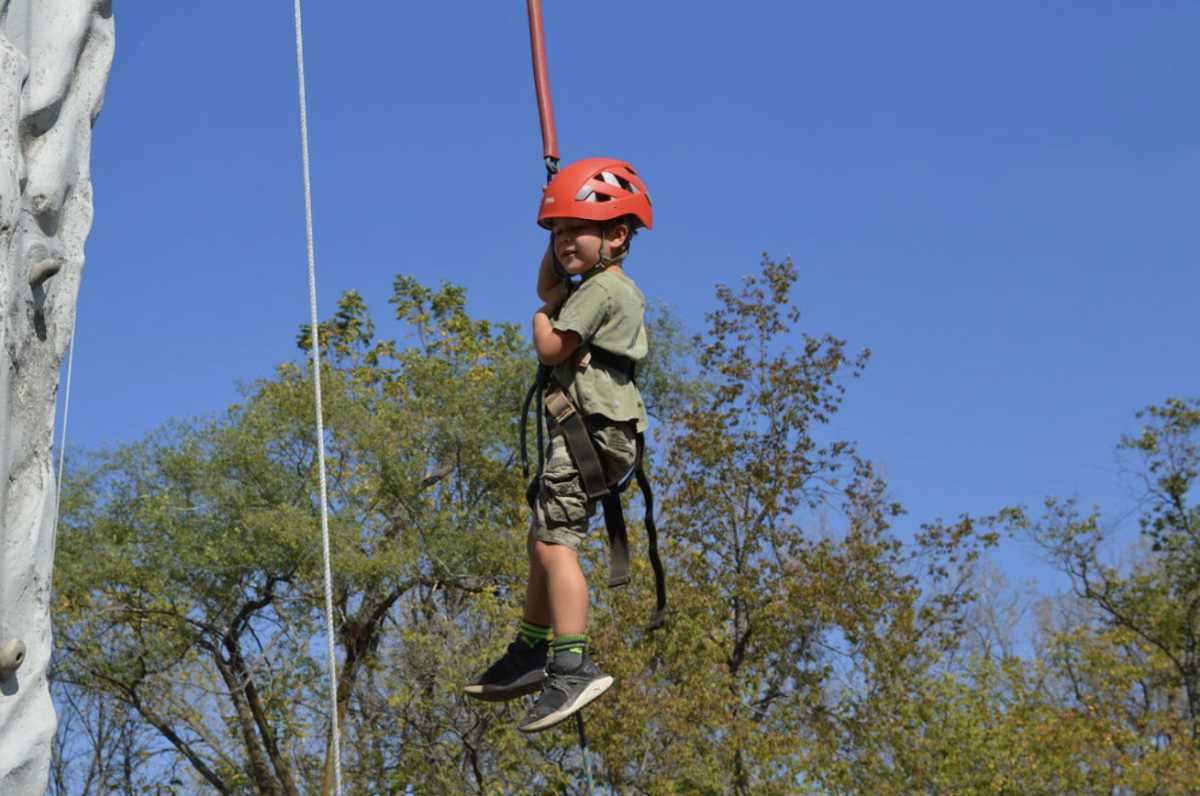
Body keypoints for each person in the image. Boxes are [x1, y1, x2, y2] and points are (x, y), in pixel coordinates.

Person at [464, 157, 653, 733]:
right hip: (597, 432)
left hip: (588, 433)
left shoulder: (602, 291)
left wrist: (539, 321)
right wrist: (559, 212)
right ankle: (530, 648)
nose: (565, 241)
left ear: (617, 235)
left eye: (578, 229)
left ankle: (571, 664)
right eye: (558, 232)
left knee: (554, 546)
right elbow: (551, 282)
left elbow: (551, 345)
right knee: (541, 539)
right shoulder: (597, 283)